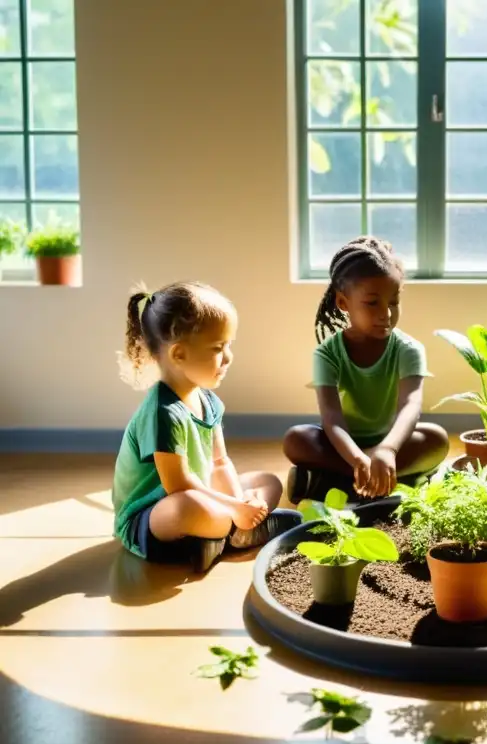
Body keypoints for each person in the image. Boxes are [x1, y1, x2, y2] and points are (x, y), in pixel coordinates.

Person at [112, 282, 300, 573]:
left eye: (229, 345)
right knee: (190, 507)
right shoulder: (162, 411)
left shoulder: (208, 401)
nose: (228, 357)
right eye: (217, 347)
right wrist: (236, 509)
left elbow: (220, 462)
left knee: (268, 481)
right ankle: (234, 532)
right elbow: (179, 485)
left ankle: (222, 536)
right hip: (153, 517)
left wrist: (241, 501)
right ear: (179, 355)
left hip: (203, 494)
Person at [283, 236, 449, 504]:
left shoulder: (409, 349)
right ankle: (392, 480)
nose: (386, 313)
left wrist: (388, 448)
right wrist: (358, 457)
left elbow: (411, 405)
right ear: (343, 303)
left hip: (393, 442)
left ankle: (332, 483)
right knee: (296, 439)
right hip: (343, 446)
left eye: (393, 302)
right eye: (373, 303)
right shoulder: (327, 354)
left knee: (436, 439)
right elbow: (332, 419)